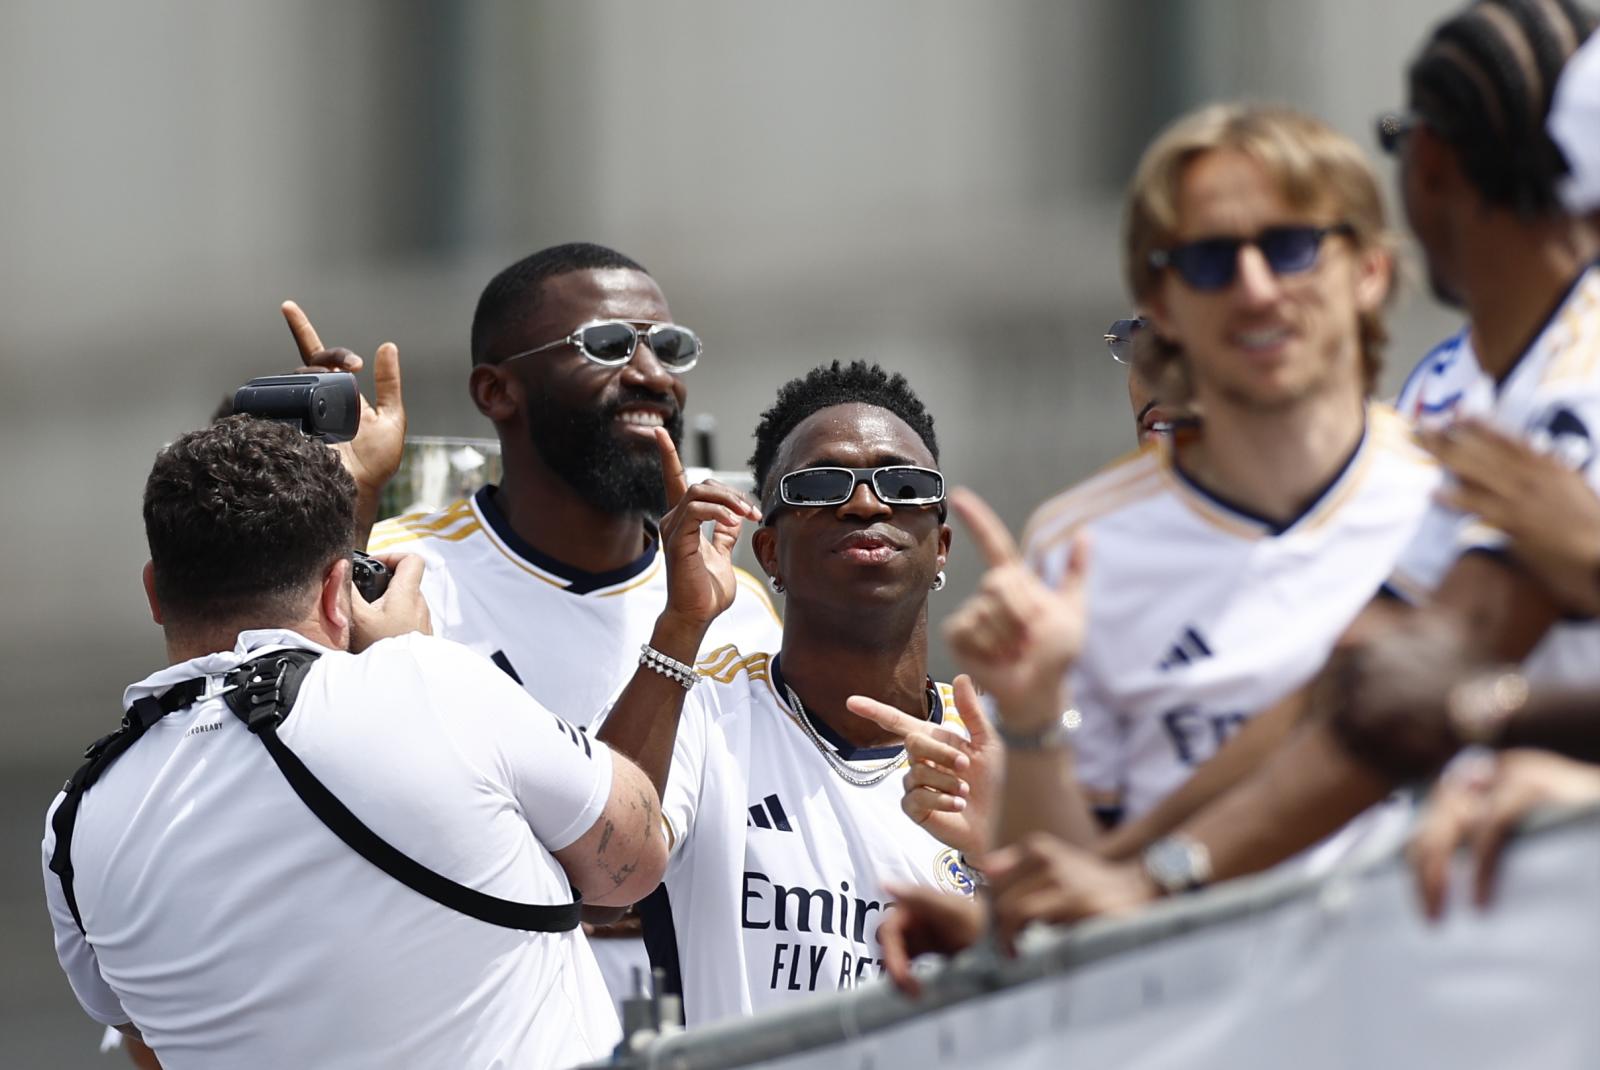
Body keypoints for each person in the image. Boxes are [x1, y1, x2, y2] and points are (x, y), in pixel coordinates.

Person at [882, 0, 1600, 959]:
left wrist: (1149, 882)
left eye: (1292, 247)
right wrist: (1091, 888)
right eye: (1213, 261)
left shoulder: (1567, 388)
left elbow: (1415, 680)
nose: (1257, 288)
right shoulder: (1489, 400)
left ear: (1421, 176)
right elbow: (1352, 696)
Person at [41, 417, 667, 1069]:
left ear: (153, 591)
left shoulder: (75, 820)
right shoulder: (430, 682)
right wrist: (410, 653)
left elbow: (141, 1032)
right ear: (339, 590)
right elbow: (637, 856)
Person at [288, 242, 782, 1009]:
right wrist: (341, 508)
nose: (652, 375)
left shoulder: (738, 607)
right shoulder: (401, 570)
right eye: (608, 345)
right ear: (498, 391)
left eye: (669, 347)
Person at [595, 361, 986, 1025]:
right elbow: (598, 883)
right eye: (821, 485)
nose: (866, 505)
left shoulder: (995, 748)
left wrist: (1000, 849)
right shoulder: (699, 712)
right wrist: (682, 624)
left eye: (904, 485)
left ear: (942, 547)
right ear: (769, 552)